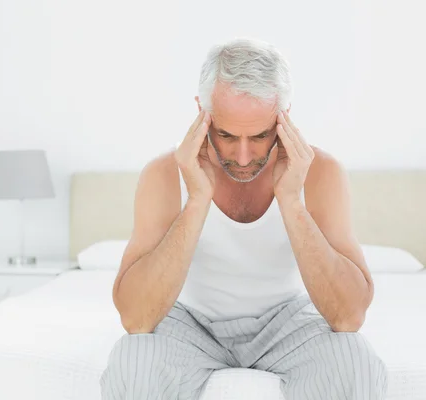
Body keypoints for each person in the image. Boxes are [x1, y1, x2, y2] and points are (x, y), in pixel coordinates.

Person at [100, 38, 388, 400]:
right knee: (132, 359)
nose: (242, 155)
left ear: (284, 119)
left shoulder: (319, 172)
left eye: (261, 135)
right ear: (201, 113)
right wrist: (197, 199)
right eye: (225, 134)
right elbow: (136, 319)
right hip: (190, 323)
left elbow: (348, 318)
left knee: (355, 360)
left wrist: (291, 202)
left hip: (287, 322)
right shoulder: (163, 174)